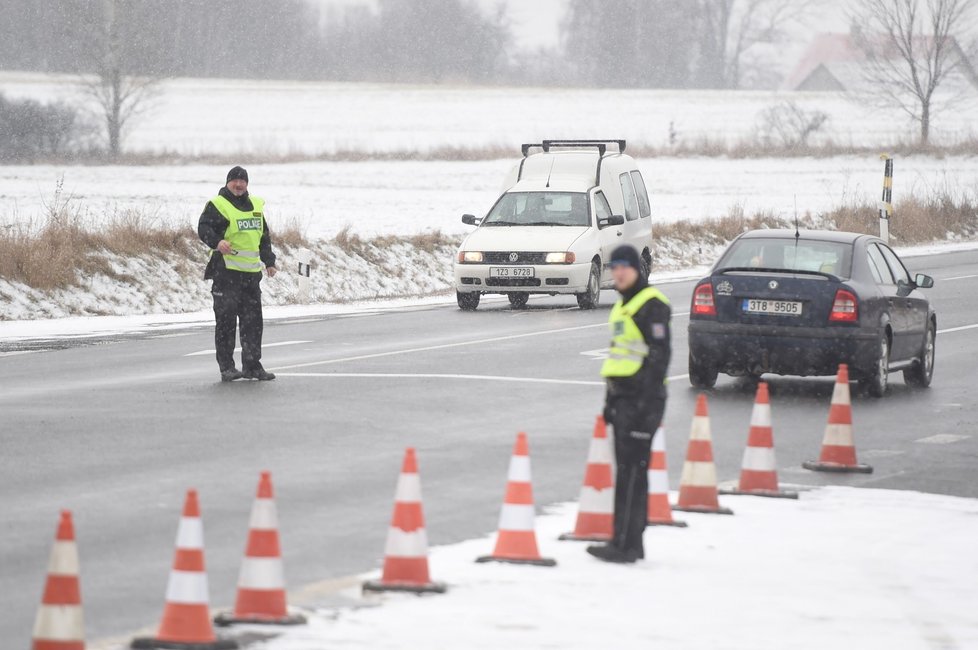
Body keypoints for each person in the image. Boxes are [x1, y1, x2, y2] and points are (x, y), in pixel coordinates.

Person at [587, 245, 671, 564]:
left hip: (641, 401)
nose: (618, 272)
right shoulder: (623, 306)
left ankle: (625, 544)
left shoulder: (651, 305)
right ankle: (628, 539)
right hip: (623, 398)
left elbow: (659, 358)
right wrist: (611, 402)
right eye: (615, 266)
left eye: (625, 266)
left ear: (637, 269)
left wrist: (642, 403)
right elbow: (619, 356)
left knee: (633, 474)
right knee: (627, 472)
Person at [197, 166, 278, 382]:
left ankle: (252, 366)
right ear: (228, 182)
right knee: (226, 323)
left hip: (251, 276)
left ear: (247, 184)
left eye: (243, 181)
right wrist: (217, 242)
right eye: (235, 181)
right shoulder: (218, 205)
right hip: (226, 274)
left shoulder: (256, 207)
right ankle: (227, 368)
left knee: (253, 324)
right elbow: (203, 228)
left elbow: (263, 237)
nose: (239, 185)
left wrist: (269, 261)